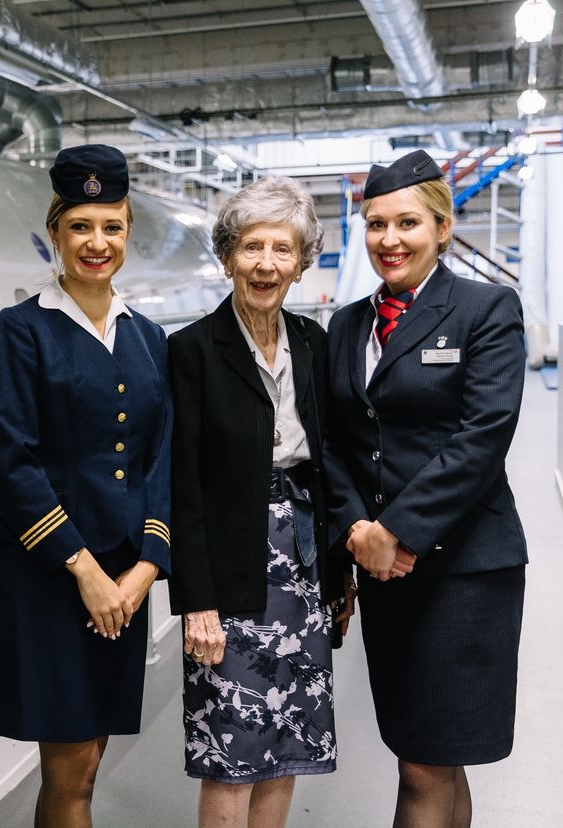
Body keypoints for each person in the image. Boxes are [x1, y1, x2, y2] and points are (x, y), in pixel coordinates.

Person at [323, 149, 528, 828]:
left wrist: (395, 532)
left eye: (407, 223)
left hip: (464, 569)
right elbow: (336, 441)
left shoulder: (486, 309)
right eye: (376, 225)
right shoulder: (347, 324)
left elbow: (483, 436)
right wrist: (356, 531)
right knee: (432, 752)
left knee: (425, 760)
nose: (389, 240)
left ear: (442, 227)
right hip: (385, 572)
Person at [0, 144, 172, 828]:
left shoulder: (149, 337)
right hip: (49, 576)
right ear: (55, 232)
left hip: (123, 578)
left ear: (127, 234)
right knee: (72, 769)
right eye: (81, 227)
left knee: (93, 751)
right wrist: (84, 569)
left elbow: (159, 459)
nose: (97, 243)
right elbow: (8, 461)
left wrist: (144, 569)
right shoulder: (21, 330)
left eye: (112, 227)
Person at [168, 176, 355, 828]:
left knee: (287, 745)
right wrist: (197, 600)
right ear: (228, 257)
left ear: (302, 264)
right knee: (232, 750)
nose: (266, 263)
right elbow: (181, 486)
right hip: (230, 568)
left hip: (302, 566)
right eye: (251, 247)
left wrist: (339, 573)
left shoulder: (313, 343)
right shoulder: (190, 351)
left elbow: (329, 463)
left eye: (283, 249)